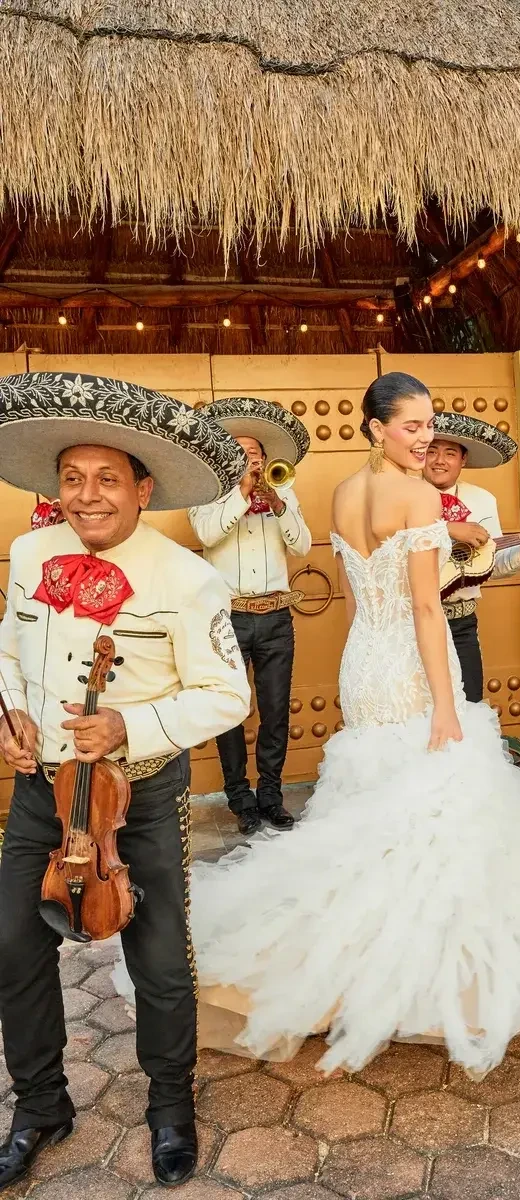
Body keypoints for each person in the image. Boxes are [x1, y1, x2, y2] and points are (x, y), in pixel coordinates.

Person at [115, 370, 520, 1079]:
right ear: (377, 428)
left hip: (363, 660)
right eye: (411, 427)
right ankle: (422, 956)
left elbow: (367, 593)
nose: (425, 439)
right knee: (435, 793)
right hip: (411, 661)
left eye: (429, 425)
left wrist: (458, 540)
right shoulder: (415, 496)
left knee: (380, 794)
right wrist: (446, 703)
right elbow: (425, 608)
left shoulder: (346, 494)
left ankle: (355, 942)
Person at [0, 371, 251, 1191]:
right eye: (72, 478)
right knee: (11, 942)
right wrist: (9, 716)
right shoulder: (31, 553)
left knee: (161, 960)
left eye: (107, 479)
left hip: (134, 794)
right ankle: (41, 1106)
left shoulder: (187, 578)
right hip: (43, 788)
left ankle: (171, 1107)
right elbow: (10, 651)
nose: (86, 495)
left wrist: (128, 726)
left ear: (143, 489)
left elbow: (226, 694)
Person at [188, 398, 311, 836]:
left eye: (255, 455)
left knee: (276, 712)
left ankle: (272, 797)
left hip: (276, 616)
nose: (251, 462)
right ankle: (240, 799)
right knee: (230, 712)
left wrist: (277, 503)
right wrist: (241, 492)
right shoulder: (209, 495)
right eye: (241, 455)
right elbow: (206, 534)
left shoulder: (284, 492)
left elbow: (301, 545)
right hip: (228, 620)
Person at [423, 413, 520, 701]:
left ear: (463, 460)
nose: (439, 460)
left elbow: (488, 566)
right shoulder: (401, 497)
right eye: (431, 451)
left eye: (449, 453)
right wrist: (447, 530)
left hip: (461, 624)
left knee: (468, 705)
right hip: (411, 623)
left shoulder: (481, 500)